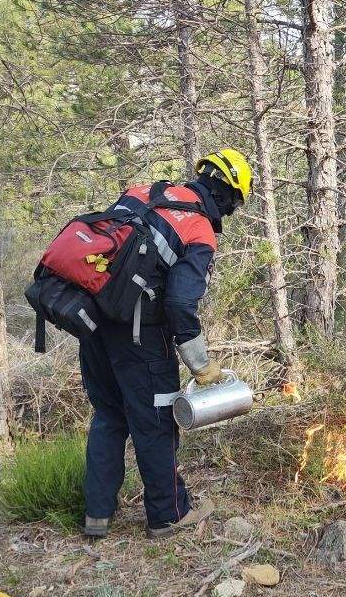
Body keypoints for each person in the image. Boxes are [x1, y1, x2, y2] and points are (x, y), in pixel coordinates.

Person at [79, 148, 253, 539]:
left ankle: (97, 515)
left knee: (109, 416)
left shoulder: (143, 192)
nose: (230, 213)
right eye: (234, 204)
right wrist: (199, 363)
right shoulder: (199, 230)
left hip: (93, 323)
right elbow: (179, 301)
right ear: (226, 195)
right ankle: (168, 515)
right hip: (139, 336)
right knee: (155, 422)